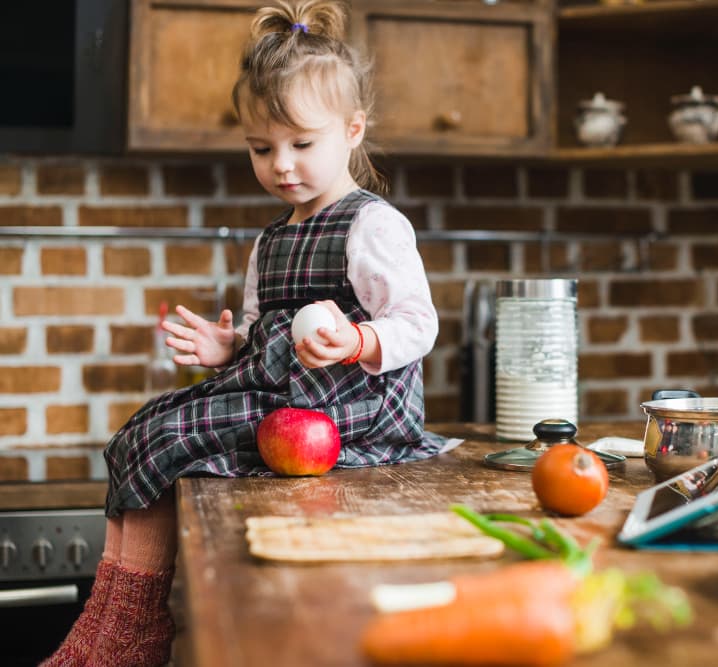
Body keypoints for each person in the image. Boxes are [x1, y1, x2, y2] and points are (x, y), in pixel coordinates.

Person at [43, 1, 443, 664]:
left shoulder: (373, 225)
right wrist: (225, 347)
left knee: (170, 436)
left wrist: (358, 341)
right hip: (290, 398)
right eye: (261, 148)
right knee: (141, 429)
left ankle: (131, 630)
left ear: (352, 130)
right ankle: (107, 618)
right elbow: (265, 333)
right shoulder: (271, 239)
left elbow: (418, 322)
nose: (281, 165)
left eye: (300, 144)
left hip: (356, 407)